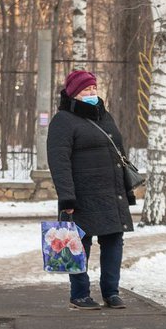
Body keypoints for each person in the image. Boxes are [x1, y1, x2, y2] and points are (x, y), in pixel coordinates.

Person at [46, 70, 136, 310]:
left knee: (114, 241)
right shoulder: (63, 120)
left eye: (94, 88)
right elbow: (59, 162)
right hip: (81, 195)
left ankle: (111, 292)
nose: (92, 92)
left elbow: (119, 154)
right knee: (78, 245)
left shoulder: (105, 116)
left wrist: (125, 189)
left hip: (111, 193)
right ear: (74, 93)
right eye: (86, 89)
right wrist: (67, 197)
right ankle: (79, 294)